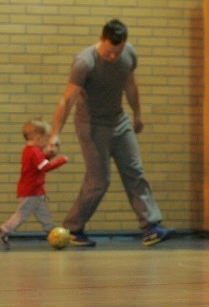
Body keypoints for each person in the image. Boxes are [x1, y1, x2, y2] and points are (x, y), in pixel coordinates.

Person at [49, 18, 175, 247]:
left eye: (117, 52)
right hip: (92, 125)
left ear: (124, 44)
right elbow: (67, 100)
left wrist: (137, 114)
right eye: (109, 52)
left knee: (135, 172)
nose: (113, 57)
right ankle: (73, 228)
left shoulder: (129, 55)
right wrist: (55, 134)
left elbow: (130, 84)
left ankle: (150, 227)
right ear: (101, 40)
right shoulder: (84, 62)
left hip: (119, 121)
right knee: (99, 180)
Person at [1, 118, 68, 250]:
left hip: (36, 192)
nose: (46, 142)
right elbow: (44, 167)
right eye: (45, 138)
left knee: (44, 215)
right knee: (21, 215)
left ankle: (52, 232)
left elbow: (40, 164)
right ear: (38, 137)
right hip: (30, 192)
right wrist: (61, 160)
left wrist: (49, 156)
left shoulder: (31, 151)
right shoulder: (33, 151)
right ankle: (4, 230)